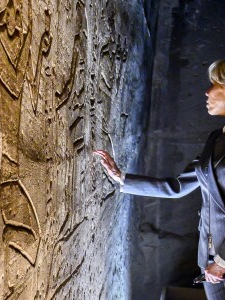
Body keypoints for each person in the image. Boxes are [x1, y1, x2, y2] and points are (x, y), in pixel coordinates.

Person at [94, 60, 225, 300]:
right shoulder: (216, 139)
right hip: (209, 260)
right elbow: (176, 186)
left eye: (214, 85)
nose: (207, 92)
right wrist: (121, 177)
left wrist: (223, 260)